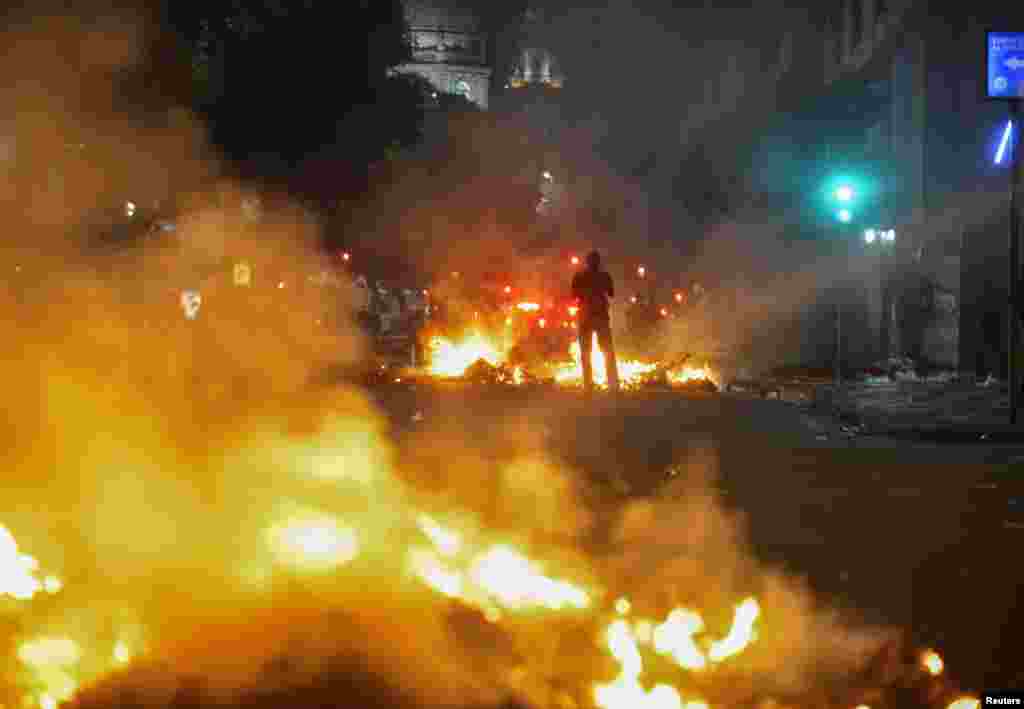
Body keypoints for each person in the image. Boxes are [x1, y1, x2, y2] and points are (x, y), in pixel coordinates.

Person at [571, 250, 620, 393]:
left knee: (586, 352)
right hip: (600, 317)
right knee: (607, 350)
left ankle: (588, 385)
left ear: (587, 262)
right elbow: (611, 293)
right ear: (598, 262)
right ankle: (613, 385)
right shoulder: (604, 276)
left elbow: (573, 295)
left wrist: (585, 294)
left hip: (586, 317)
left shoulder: (580, 276)